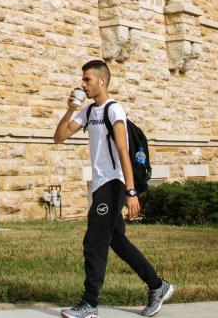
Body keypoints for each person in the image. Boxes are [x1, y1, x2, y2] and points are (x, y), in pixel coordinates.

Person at [53, 59, 174, 318]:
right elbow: (59, 136)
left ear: (101, 81)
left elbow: (122, 150)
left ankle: (90, 304)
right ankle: (157, 285)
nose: (83, 84)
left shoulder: (113, 109)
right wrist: (69, 110)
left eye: (87, 79)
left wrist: (131, 192)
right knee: (117, 241)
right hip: (100, 185)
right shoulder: (88, 112)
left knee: (94, 241)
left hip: (115, 183)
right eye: (82, 79)